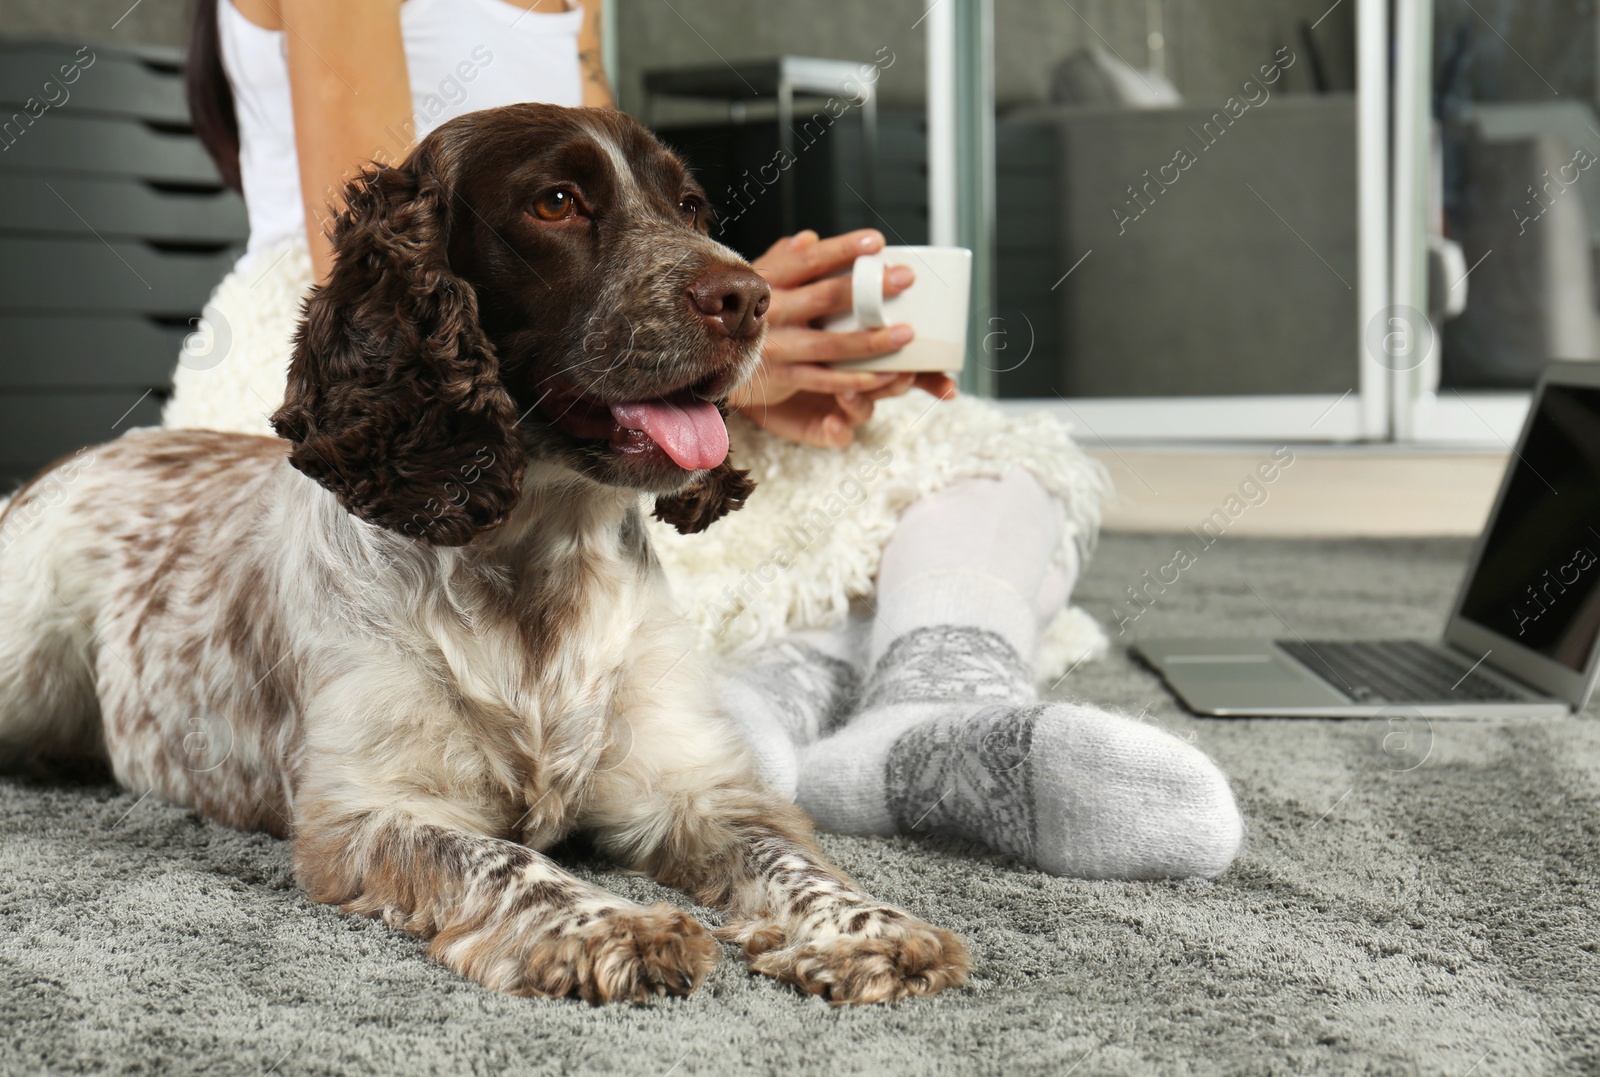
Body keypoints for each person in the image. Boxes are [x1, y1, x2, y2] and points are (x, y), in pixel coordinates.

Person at [168, 0, 1244, 879]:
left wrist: (735, 347)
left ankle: (920, 712)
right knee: (562, 596)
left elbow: (603, 196)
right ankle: (755, 737)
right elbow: (367, 233)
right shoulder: (383, 287)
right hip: (380, 365)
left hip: (582, 368)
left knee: (964, 456)